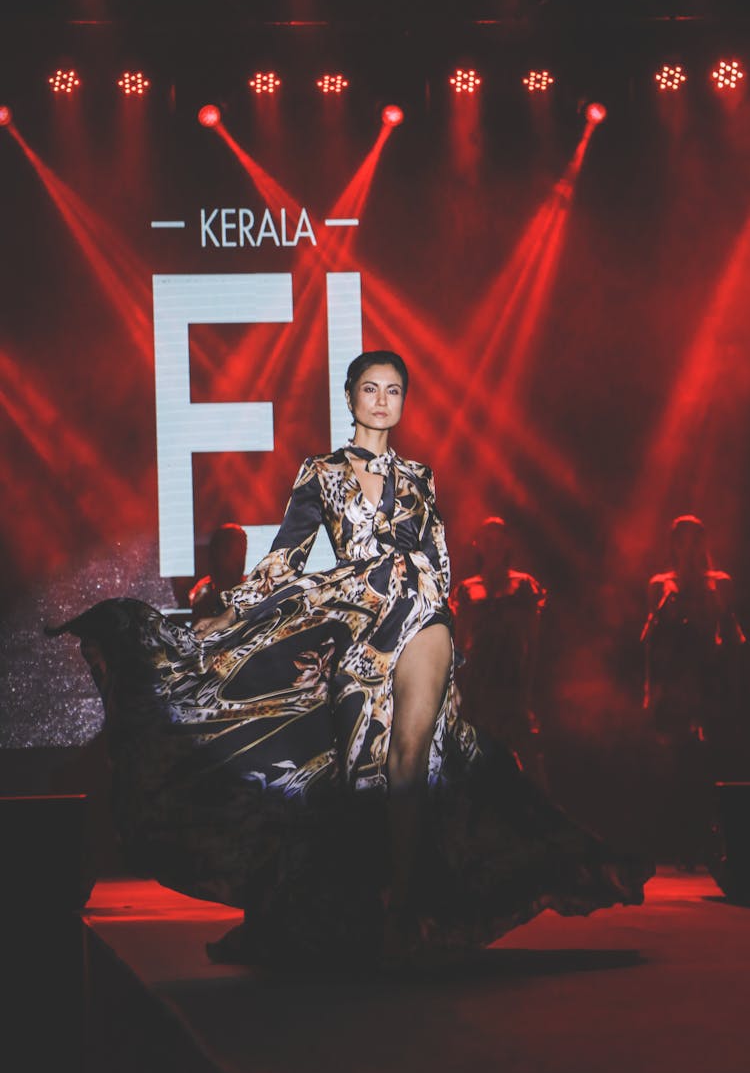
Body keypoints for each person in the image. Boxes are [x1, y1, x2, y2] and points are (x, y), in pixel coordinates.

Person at [47, 350, 651, 970]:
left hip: (421, 619)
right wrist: (232, 611)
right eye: (371, 388)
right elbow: (286, 558)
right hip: (358, 630)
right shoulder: (320, 474)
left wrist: (432, 624)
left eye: (394, 390)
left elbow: (439, 562)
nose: (383, 400)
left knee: (408, 759)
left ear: (404, 402)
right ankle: (360, 907)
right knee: (361, 773)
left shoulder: (420, 477)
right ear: (350, 397)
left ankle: (404, 910)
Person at [641, 515, 746, 868]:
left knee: (715, 763)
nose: (689, 546)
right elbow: (652, 643)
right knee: (679, 766)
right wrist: (651, 691)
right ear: (673, 544)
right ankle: (683, 844)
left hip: (711, 680)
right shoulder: (662, 585)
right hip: (676, 683)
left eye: (695, 539)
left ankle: (717, 844)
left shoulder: (720, 584)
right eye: (682, 539)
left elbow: (731, 634)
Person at [450, 517, 547, 787]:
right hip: (479, 681)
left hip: (511, 680)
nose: (492, 546)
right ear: (478, 546)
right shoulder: (468, 591)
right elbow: (460, 644)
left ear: (507, 544)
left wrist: (528, 689)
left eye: (498, 539)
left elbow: (533, 641)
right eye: (487, 540)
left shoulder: (524, 586)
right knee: (475, 756)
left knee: (526, 757)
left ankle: (539, 815)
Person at [188, 522, 248, 624]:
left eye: (242, 550)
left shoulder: (252, 588)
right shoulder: (203, 593)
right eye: (231, 551)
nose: (239, 558)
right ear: (217, 553)